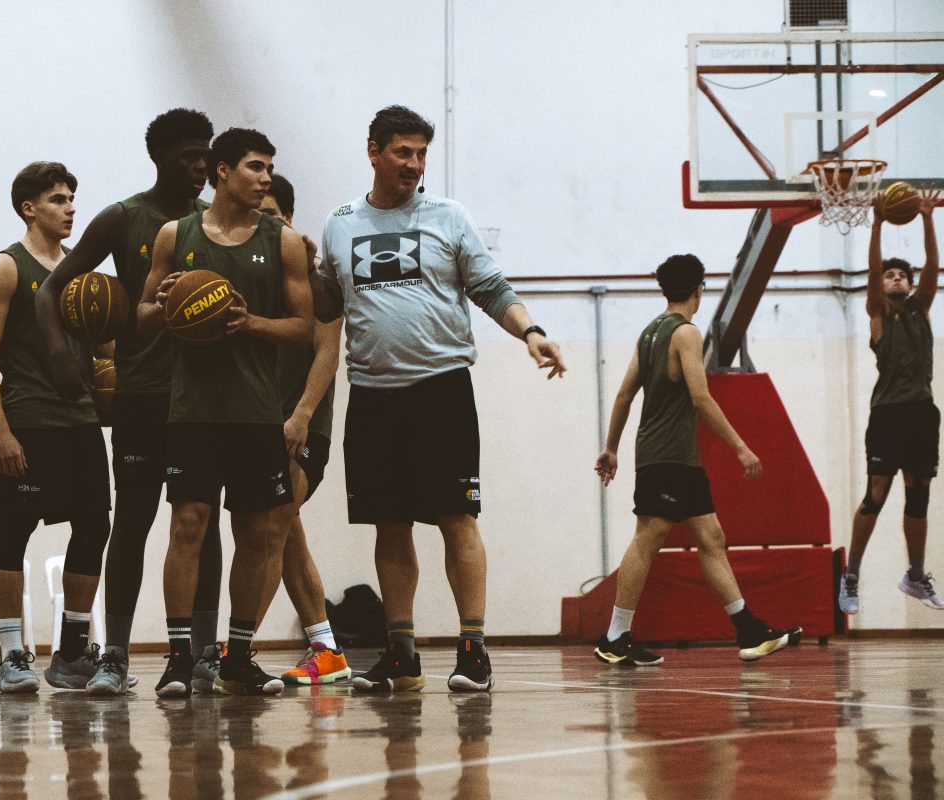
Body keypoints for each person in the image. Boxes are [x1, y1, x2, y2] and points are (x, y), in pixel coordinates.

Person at [309, 106, 562, 693]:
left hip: (440, 389)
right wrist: (299, 269)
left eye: (422, 154)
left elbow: (491, 288)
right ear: (373, 151)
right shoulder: (339, 224)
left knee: (457, 518)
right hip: (372, 395)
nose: (414, 165)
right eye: (403, 152)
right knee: (390, 525)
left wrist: (530, 332)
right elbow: (327, 304)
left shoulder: (449, 216)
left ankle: (473, 649)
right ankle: (400, 652)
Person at [34, 109, 224, 695]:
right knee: (134, 520)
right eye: (189, 155)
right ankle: (115, 655)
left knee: (205, 523)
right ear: (159, 157)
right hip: (141, 391)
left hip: (202, 397)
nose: (201, 165)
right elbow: (49, 289)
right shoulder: (123, 218)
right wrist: (64, 356)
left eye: (205, 154)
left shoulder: (215, 222)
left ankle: (204, 655)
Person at [137, 127, 313, 697]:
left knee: (257, 533)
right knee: (187, 525)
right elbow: (141, 315)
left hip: (256, 412)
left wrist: (249, 322)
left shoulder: (283, 242)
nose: (265, 178)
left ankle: (237, 656)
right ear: (222, 171)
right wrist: (164, 306)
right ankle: (178, 658)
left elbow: (303, 327)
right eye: (255, 167)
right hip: (193, 410)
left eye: (269, 169)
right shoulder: (176, 234)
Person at [593, 254, 802, 665]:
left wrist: (612, 448)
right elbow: (701, 397)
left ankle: (748, 631)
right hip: (668, 457)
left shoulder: (649, 332)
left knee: (711, 539)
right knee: (648, 537)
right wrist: (740, 447)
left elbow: (623, 394)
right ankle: (614, 637)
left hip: (677, 459)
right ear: (698, 290)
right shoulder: (686, 332)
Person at [0, 161, 112, 694]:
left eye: (72, 198)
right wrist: (0, 433)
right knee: (15, 531)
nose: (70, 207)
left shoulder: (81, 273)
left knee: (94, 527)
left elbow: (106, 346)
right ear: (29, 208)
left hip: (81, 420)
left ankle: (71, 654)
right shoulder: (5, 268)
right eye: (58, 199)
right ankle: (12, 655)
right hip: (29, 419)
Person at [247, 174, 350, 686]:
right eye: (255, 217)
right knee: (286, 534)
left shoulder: (314, 278)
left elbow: (328, 353)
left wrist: (303, 416)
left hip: (302, 427)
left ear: (288, 218)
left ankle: (236, 649)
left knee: (272, 527)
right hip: (254, 424)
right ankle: (327, 649)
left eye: (271, 216)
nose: (263, 225)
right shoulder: (241, 276)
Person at [840, 191, 944, 614]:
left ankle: (915, 576)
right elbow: (871, 271)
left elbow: (933, 266)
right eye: (891, 275)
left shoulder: (921, 309)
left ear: (911, 284)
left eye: (902, 275)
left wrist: (928, 218)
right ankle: (851, 575)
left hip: (922, 413)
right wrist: (878, 222)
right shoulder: (879, 313)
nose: (897, 278)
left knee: (918, 497)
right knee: (876, 495)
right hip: (887, 414)